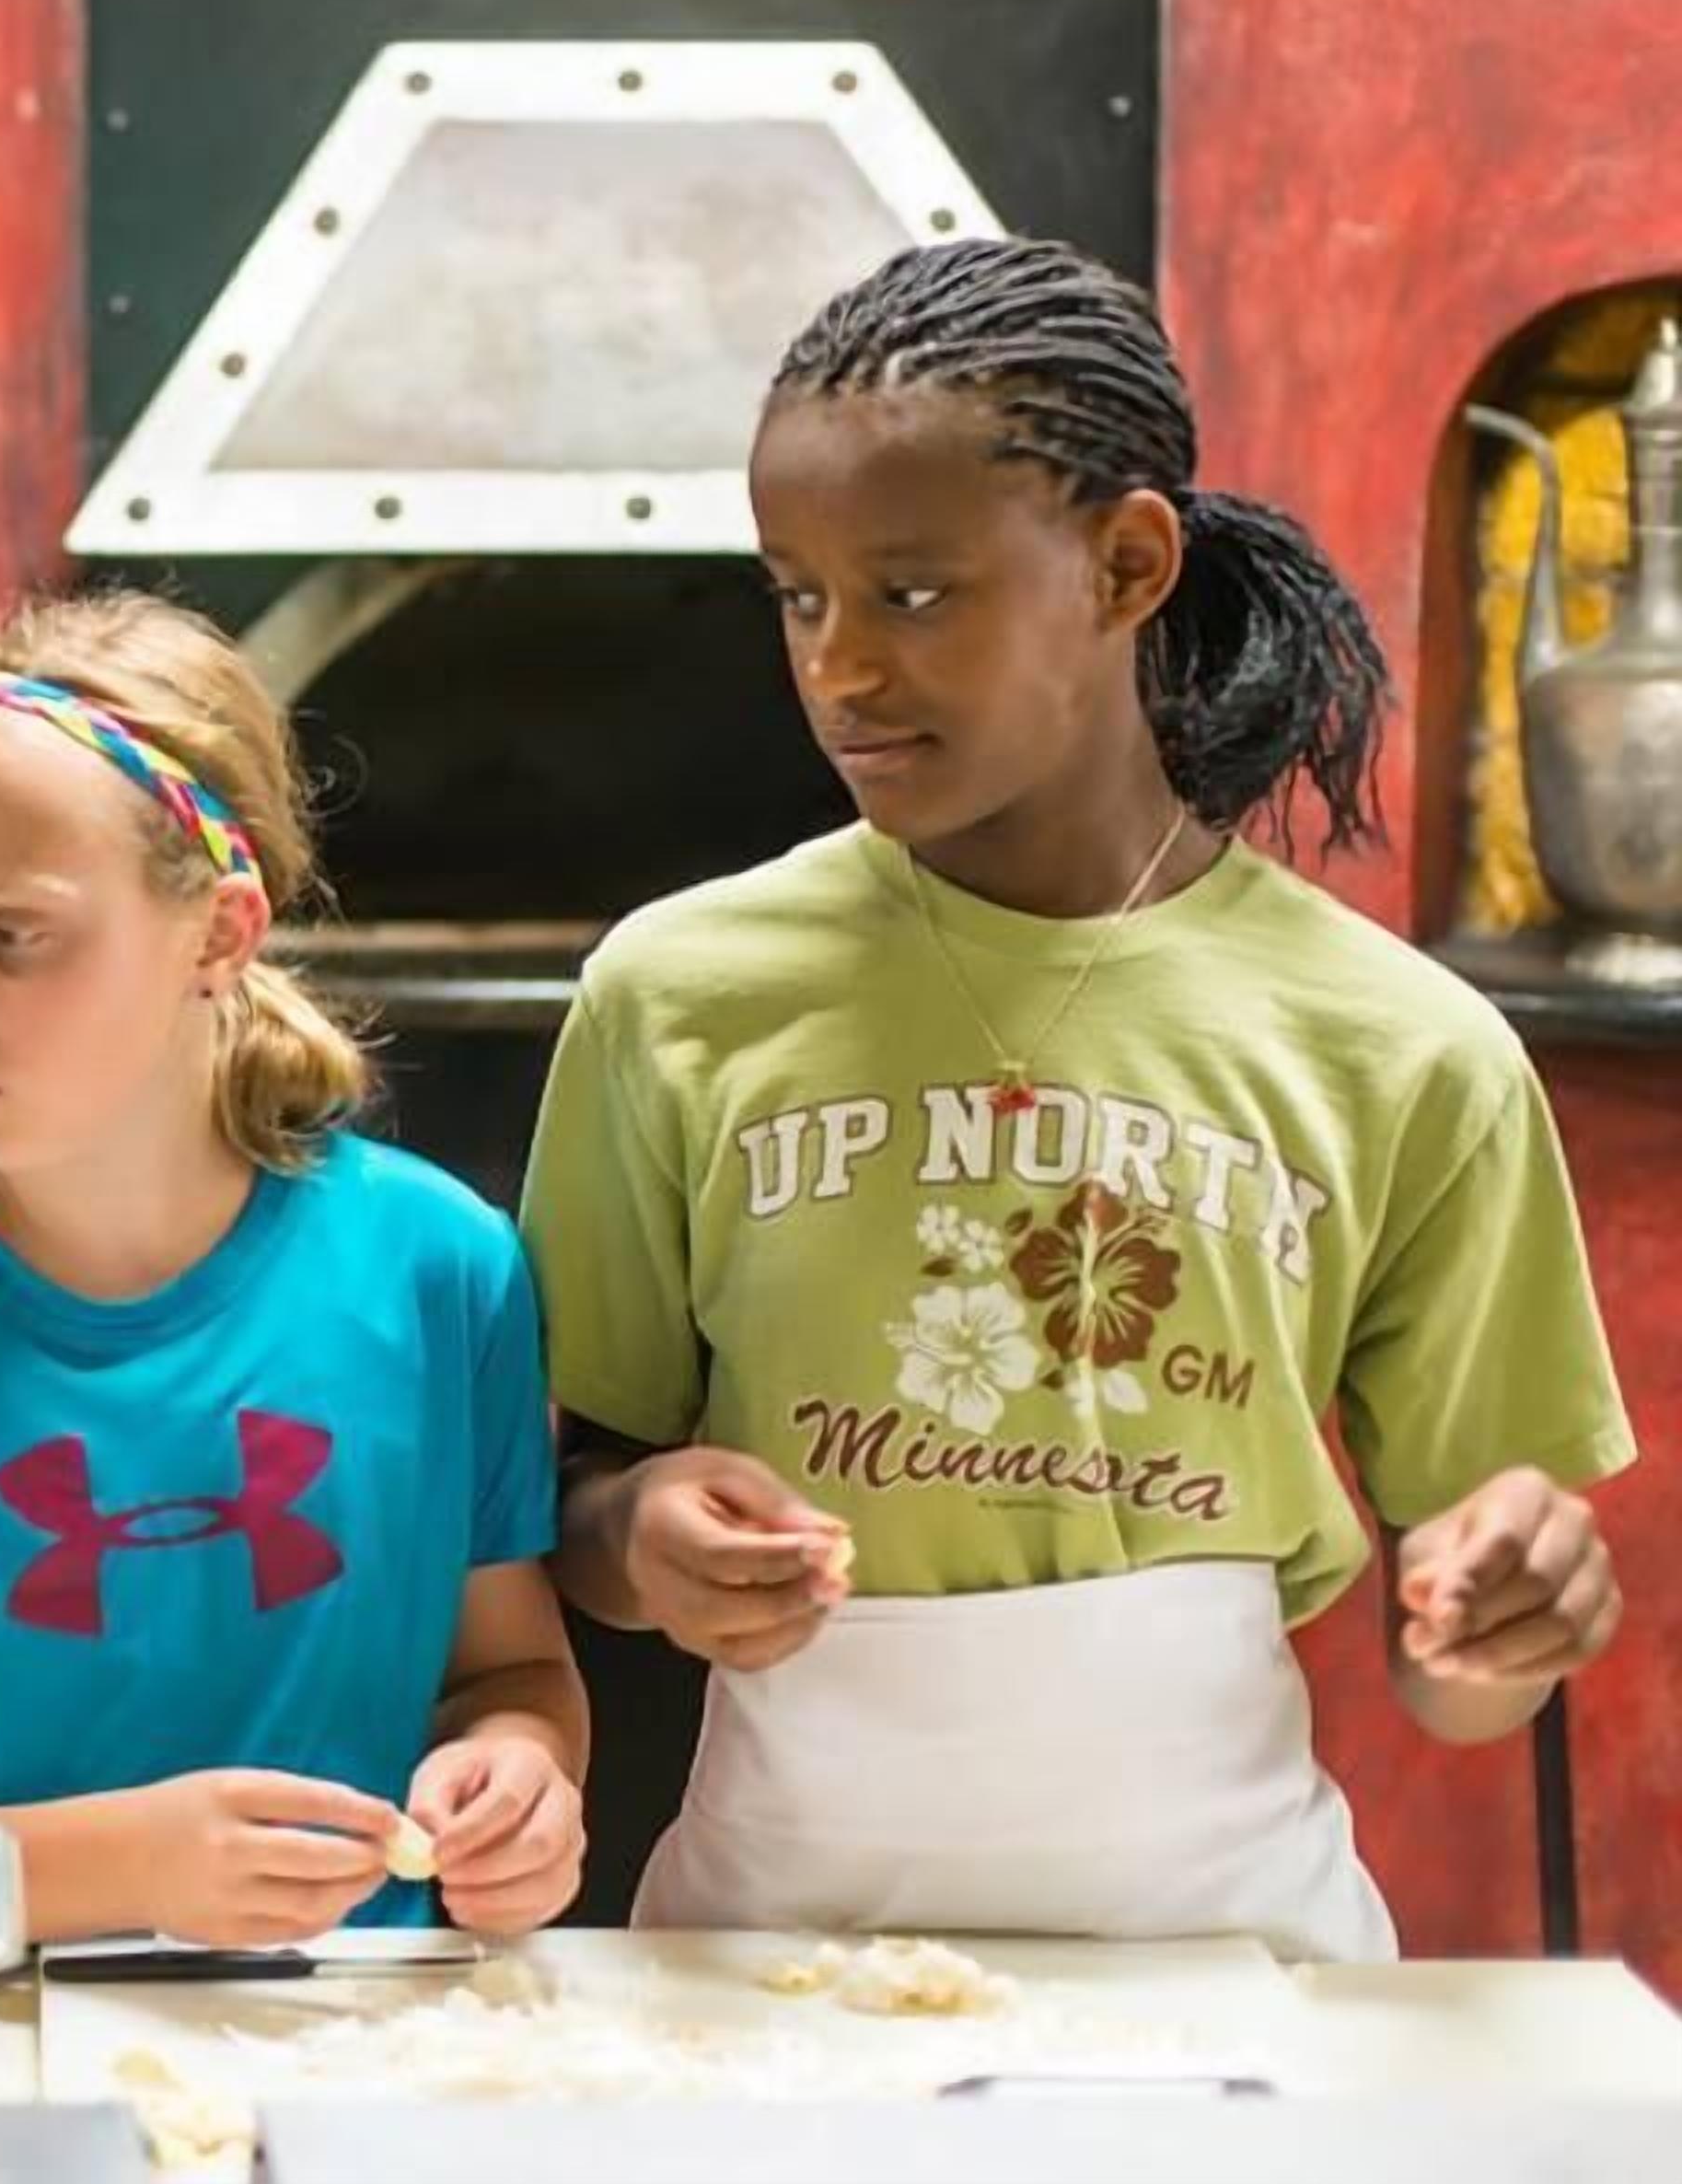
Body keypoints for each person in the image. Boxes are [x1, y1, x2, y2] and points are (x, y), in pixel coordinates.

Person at [531, 238, 1634, 1961]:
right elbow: (568, 1513)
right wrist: (637, 1532)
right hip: (767, 1959)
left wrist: (1512, 1617)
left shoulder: (1405, 1052)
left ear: (1127, 564)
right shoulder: (673, 998)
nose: (839, 670)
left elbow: (1460, 1675)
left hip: (1237, 1961)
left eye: (912, 593)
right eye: (796, 596)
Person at [0, 591, 587, 1947]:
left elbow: (510, 1669)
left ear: (220, 932)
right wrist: (115, 1871)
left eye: (11, 933)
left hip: (364, 2045)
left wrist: (525, 1778)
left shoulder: (442, 1274)